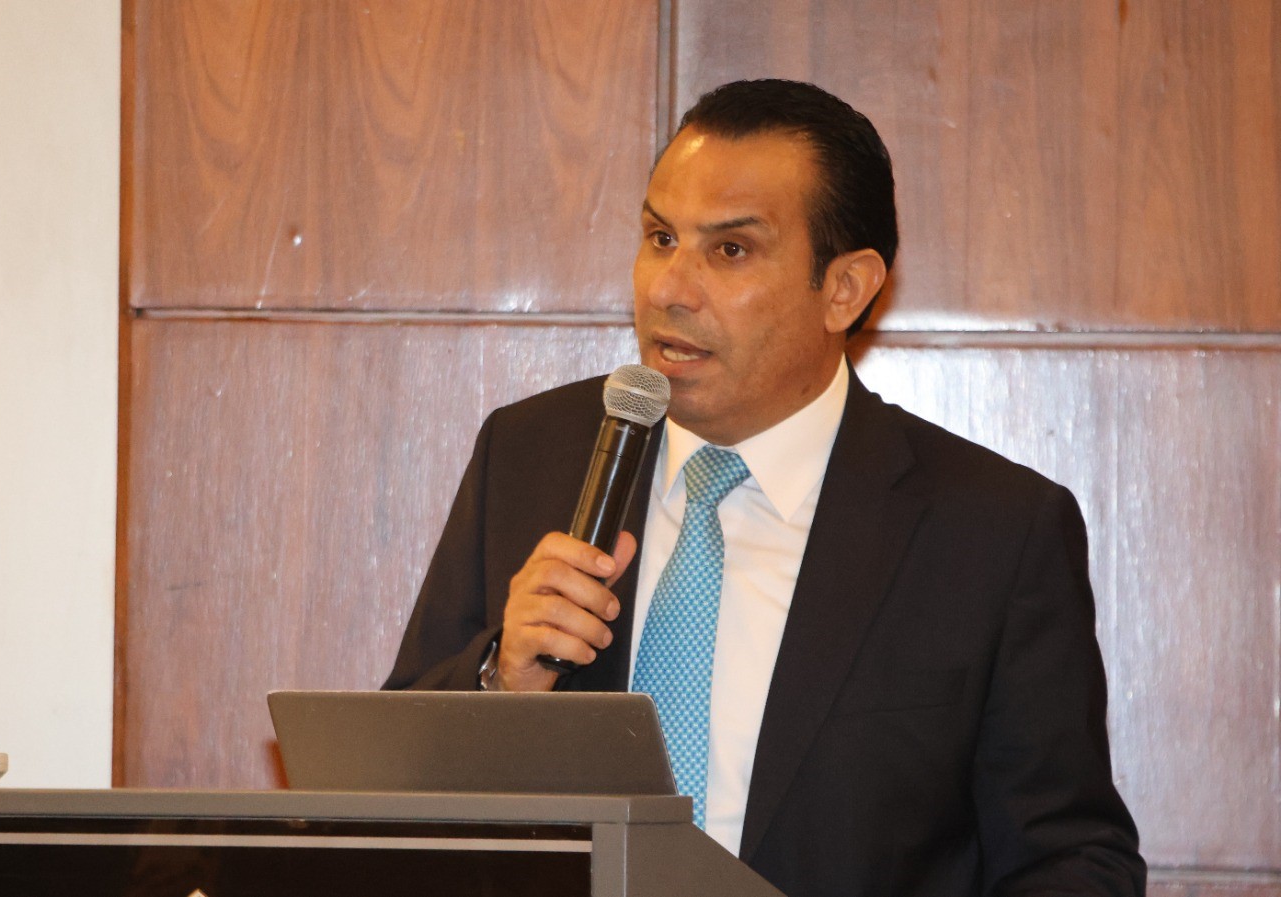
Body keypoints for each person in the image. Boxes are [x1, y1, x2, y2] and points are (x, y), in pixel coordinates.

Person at [384, 79, 1144, 897]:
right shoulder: (531, 455)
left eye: (730, 251)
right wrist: (500, 679)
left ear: (845, 289)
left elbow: (1071, 860)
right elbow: (380, 790)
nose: (668, 289)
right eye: (660, 237)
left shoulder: (992, 530)